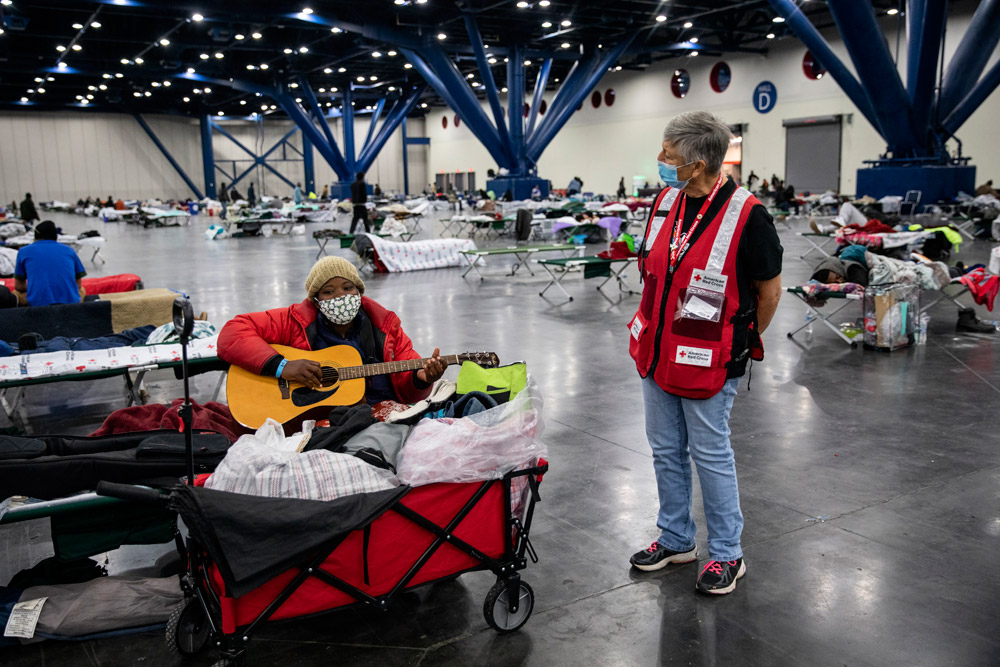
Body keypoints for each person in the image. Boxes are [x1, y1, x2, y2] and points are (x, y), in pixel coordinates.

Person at [628, 111, 783, 595]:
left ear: (696, 164)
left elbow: (770, 293)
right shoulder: (665, 202)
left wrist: (738, 344)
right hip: (657, 351)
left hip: (708, 361)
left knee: (710, 454)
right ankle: (675, 538)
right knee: (665, 451)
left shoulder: (748, 214)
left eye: (668, 154)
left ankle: (727, 555)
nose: (660, 160)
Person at [218, 257, 446, 407]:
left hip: (384, 414)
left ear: (359, 291)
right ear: (316, 301)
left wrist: (422, 380)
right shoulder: (293, 320)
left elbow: (407, 386)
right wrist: (283, 367)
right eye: (328, 291)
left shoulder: (385, 326)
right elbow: (232, 332)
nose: (340, 296)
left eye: (348, 288)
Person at [13, 220, 86, 307]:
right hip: (70, 303)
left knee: (16, 293)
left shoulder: (23, 251)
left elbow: (19, 286)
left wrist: (34, 289)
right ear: (55, 236)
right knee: (82, 290)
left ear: (36, 236)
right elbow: (78, 284)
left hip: (38, 304)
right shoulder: (69, 250)